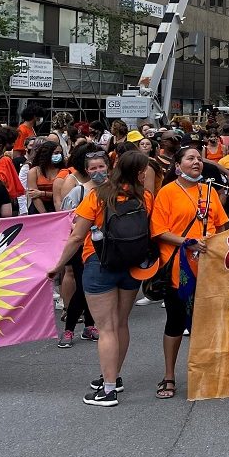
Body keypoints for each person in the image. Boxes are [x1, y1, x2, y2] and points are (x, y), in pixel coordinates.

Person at [47, 151, 153, 407]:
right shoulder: (145, 197)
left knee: (105, 327)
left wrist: (57, 267)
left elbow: (76, 237)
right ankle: (114, 377)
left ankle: (107, 390)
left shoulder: (98, 195)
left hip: (99, 263)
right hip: (132, 266)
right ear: (138, 173)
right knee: (121, 324)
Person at [151, 147, 229, 400]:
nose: (196, 162)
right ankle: (169, 375)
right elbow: (159, 231)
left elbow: (222, 225)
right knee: (175, 322)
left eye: (198, 158)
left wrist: (213, 241)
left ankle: (207, 374)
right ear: (177, 165)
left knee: (207, 323)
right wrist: (187, 241)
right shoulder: (167, 192)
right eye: (190, 158)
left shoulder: (209, 191)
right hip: (178, 269)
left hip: (209, 268)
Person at [53, 144, 108, 345]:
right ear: (86, 170)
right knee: (84, 287)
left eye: (101, 167)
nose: (97, 171)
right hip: (82, 248)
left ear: (108, 167)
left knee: (93, 287)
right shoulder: (79, 192)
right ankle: (68, 330)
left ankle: (89, 326)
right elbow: (67, 221)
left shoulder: (114, 189)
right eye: (93, 168)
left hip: (106, 248)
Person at [26, 141, 66, 215]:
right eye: (56, 153)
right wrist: (44, 214)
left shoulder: (63, 171)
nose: (59, 155)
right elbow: (34, 195)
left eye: (60, 153)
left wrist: (42, 193)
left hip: (58, 207)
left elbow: (63, 195)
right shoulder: (34, 172)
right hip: (38, 209)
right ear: (47, 154)